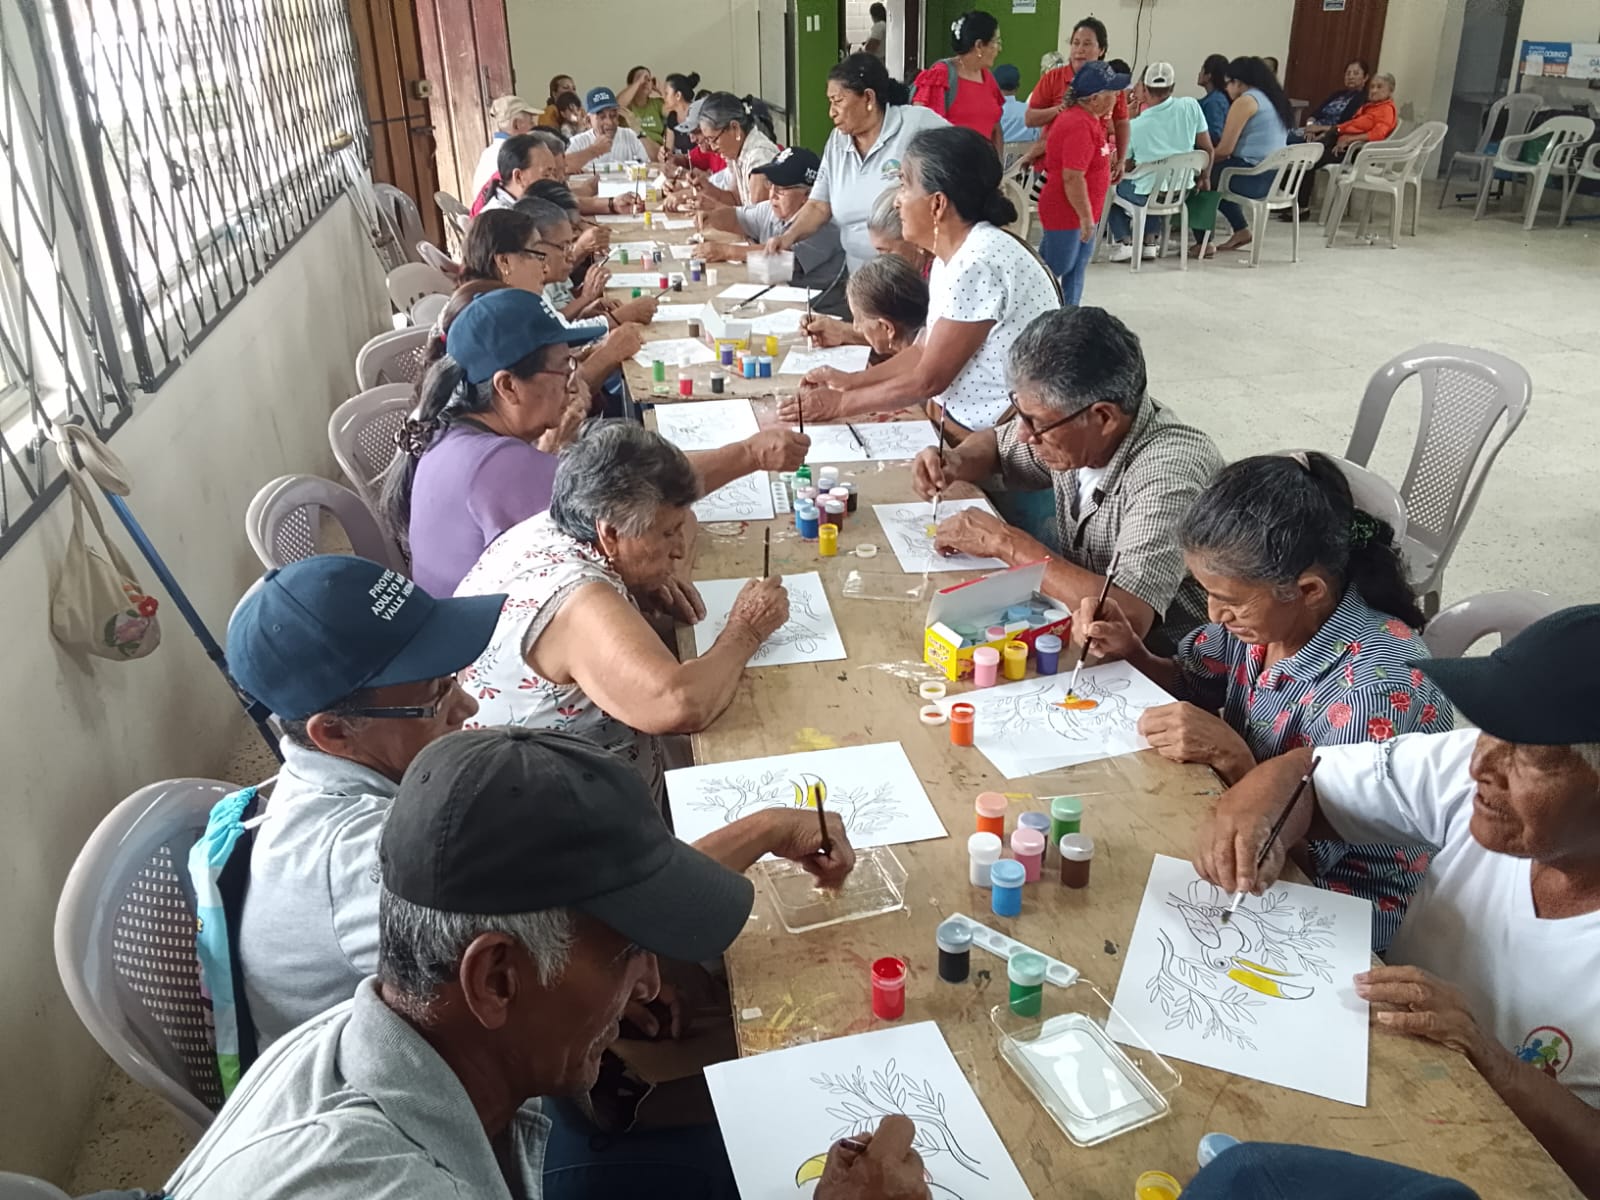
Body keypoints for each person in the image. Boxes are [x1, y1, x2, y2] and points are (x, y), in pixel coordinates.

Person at [164, 717, 903, 1199]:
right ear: (495, 979)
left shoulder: (379, 1041)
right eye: (628, 951)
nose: (650, 982)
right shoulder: (386, 1184)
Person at [1196, 605, 1600, 1196]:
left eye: (1529, 755)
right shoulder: (1475, 775)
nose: (1480, 764)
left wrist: (1491, 1062)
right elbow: (1306, 776)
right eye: (1489, 733)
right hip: (1366, 1083)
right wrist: (1263, 824)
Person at [1073, 451, 1452, 950]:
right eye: (1207, 593)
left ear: (1308, 590)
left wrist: (1236, 761)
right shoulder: (1265, 621)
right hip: (1239, 837)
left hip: (1333, 908)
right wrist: (1133, 652)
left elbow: (1306, 858)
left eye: (1229, 600)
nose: (1215, 614)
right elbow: (1192, 681)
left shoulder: (1375, 693)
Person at [456, 421, 802, 797]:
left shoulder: (560, 522)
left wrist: (664, 573)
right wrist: (746, 630)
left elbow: (685, 515)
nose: (679, 548)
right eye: (667, 534)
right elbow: (681, 705)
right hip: (558, 805)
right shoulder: (579, 602)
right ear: (610, 534)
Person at [913, 307, 1224, 648]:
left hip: (1163, 659)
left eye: (1035, 422)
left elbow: (1128, 616)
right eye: (1021, 416)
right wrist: (956, 460)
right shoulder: (1074, 430)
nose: (1023, 434)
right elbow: (998, 447)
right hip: (1078, 633)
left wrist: (1004, 543)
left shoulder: (1169, 472)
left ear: (1103, 417)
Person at [776, 125, 1056, 436]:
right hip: (960, 422)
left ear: (937, 204)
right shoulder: (954, 256)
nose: (897, 201)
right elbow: (923, 350)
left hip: (999, 439)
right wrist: (851, 382)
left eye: (904, 185)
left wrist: (840, 404)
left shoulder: (976, 264)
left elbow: (928, 380)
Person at [765, 52, 948, 272]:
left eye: (838, 101)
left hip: (910, 274)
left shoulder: (914, 123)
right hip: (860, 274)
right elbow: (819, 205)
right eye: (830, 102)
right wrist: (788, 238)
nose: (831, 112)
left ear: (868, 98)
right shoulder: (837, 141)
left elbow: (965, 155)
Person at [695, 148, 851, 316]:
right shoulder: (772, 209)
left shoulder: (823, 225)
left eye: (781, 188)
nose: (772, 195)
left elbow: (781, 258)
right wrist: (712, 215)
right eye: (770, 184)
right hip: (782, 302)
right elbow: (737, 218)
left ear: (808, 195)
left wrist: (726, 251)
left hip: (822, 314)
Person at [1105, 61, 1214, 262]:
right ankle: (1150, 242)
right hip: (1181, 191)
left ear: (1145, 90)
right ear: (1172, 87)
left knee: (1112, 189)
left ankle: (1124, 241)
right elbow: (1208, 149)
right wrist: (1205, 177)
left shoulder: (1135, 126)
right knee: (1155, 181)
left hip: (1147, 193)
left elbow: (1124, 166)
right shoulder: (1191, 106)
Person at [799, 187, 931, 347]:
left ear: (913, 239)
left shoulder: (939, 279)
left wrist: (845, 333)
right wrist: (841, 332)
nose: (881, 259)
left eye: (886, 250)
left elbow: (924, 349)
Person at [1037, 59, 1123, 304]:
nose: (1117, 97)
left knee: (1076, 270)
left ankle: (1070, 315)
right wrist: (1085, 217)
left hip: (1084, 211)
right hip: (1067, 212)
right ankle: (1039, 315)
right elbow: (1072, 177)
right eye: (1112, 92)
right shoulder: (1078, 124)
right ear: (1095, 98)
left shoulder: (1090, 120)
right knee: (1056, 268)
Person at [1025, 17, 1130, 185]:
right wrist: (1061, 109)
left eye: (1087, 44)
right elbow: (1030, 119)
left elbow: (1121, 122)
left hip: (1093, 167)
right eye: (1075, 43)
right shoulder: (1053, 78)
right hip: (1052, 167)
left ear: (1101, 50)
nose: (1079, 49)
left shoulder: (1111, 82)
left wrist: (1121, 160)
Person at [1209, 55, 1290, 254]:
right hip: (1275, 177)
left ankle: (1202, 242)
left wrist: (1201, 161)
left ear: (1238, 82)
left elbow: (1225, 150)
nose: (1226, 89)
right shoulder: (1274, 100)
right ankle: (1241, 231)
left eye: (1228, 83)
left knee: (1202, 177)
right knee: (1216, 173)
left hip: (1252, 177)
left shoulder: (1246, 101)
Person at [1294, 72, 1398, 216]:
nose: (1374, 90)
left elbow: (1378, 135)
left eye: (1379, 87)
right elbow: (1349, 125)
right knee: (1304, 151)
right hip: (1341, 141)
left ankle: (1301, 207)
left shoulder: (1386, 110)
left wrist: (1350, 139)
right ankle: (1290, 200)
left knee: (1310, 159)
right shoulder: (1371, 107)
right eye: (1372, 86)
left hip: (1354, 152)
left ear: (1390, 90)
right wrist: (1332, 131)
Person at [912, 10, 1006, 154]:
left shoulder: (987, 78)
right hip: (950, 164)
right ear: (979, 45)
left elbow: (995, 127)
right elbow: (921, 130)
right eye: (996, 42)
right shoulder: (940, 75)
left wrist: (996, 163)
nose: (999, 48)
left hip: (982, 165)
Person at [693, 92, 782, 208]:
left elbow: (758, 216)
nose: (713, 148)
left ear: (735, 128)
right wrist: (708, 189)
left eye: (714, 139)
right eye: (708, 141)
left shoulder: (759, 159)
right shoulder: (738, 151)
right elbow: (736, 199)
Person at [469, 133, 557, 216]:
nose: (554, 181)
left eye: (554, 173)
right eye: (546, 175)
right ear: (518, 177)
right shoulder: (500, 219)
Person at [1288, 58, 1372, 145]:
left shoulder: (1364, 99)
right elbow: (1313, 115)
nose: (1351, 77)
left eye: (1356, 73)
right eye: (1348, 73)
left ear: (1365, 78)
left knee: (1290, 140)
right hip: (1312, 131)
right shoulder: (1337, 94)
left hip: (1330, 135)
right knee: (1285, 135)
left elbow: (1347, 126)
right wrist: (1310, 127)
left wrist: (1320, 129)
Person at [471, 95, 538, 198]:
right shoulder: (513, 154)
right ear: (516, 125)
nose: (534, 126)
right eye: (531, 122)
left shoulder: (489, 152)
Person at [567, 87, 651, 166]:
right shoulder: (578, 142)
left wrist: (639, 130)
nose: (610, 122)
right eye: (602, 117)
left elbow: (652, 161)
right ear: (588, 120)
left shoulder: (631, 135)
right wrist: (594, 151)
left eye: (613, 115)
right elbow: (564, 168)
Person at [616, 65, 667, 147]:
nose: (645, 82)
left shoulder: (657, 103)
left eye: (648, 79)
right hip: (632, 148)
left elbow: (676, 113)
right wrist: (639, 82)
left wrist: (661, 90)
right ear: (630, 85)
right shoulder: (626, 105)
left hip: (655, 149)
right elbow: (616, 107)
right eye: (640, 78)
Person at [996, 63, 1040, 148]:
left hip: (995, 155)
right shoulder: (1030, 111)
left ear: (995, 87)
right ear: (1017, 87)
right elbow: (1037, 138)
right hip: (1026, 155)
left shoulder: (989, 113)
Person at [662, 71, 702, 155]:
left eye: (666, 94)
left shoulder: (698, 113)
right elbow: (669, 150)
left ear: (678, 95)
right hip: (683, 161)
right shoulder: (672, 117)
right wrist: (664, 154)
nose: (664, 98)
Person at [1197, 53, 1232, 142]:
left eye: (1202, 70)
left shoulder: (1214, 102)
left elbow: (1215, 135)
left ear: (1208, 76)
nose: (1199, 74)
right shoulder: (1218, 98)